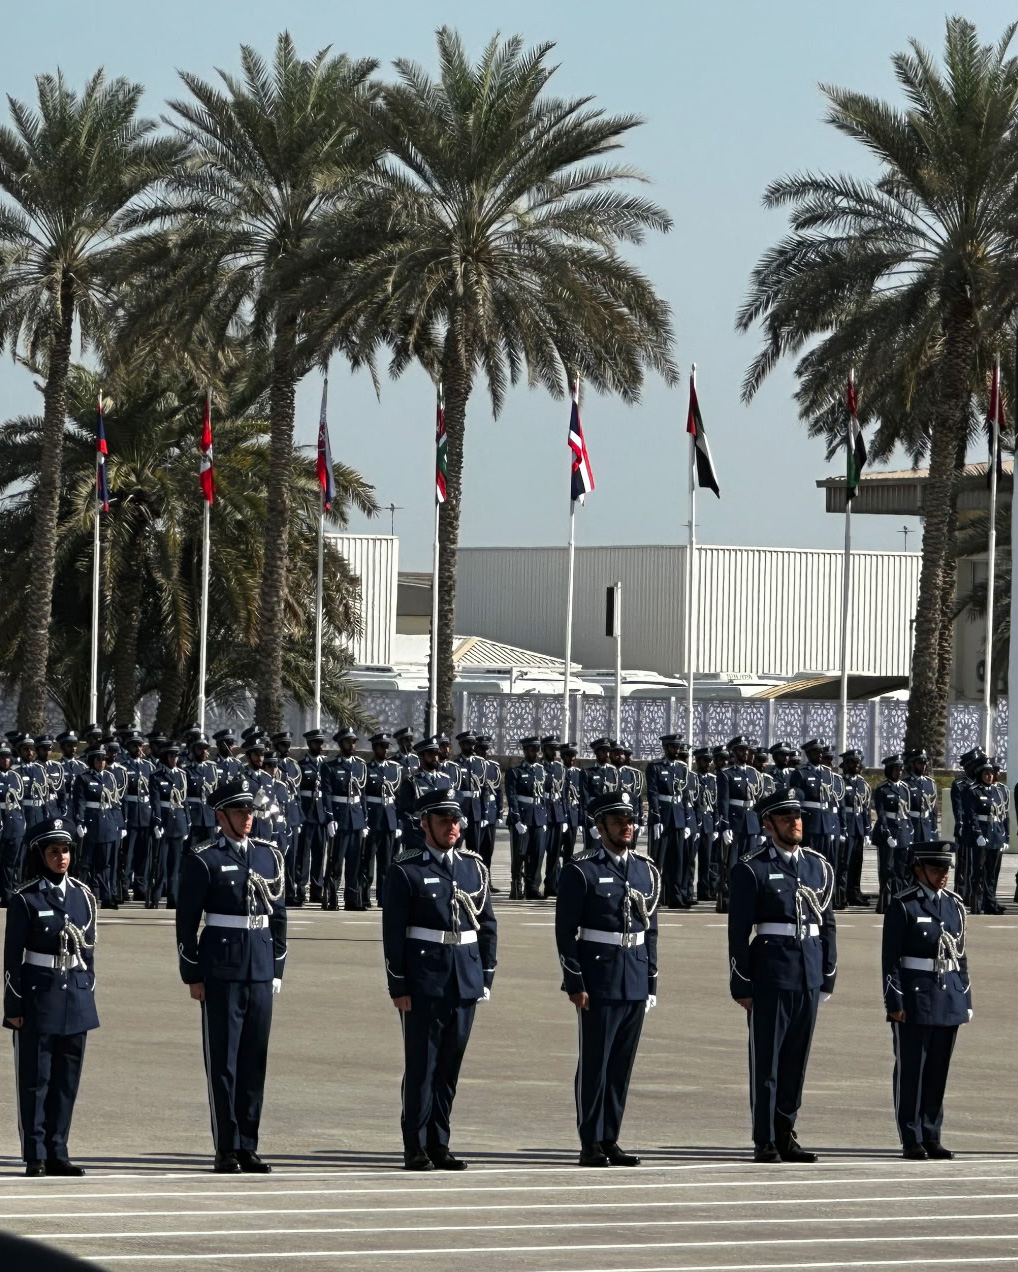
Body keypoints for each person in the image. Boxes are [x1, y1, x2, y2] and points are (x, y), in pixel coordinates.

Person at [175, 776, 287, 1174]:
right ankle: (226, 1146)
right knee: (224, 1062)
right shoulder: (204, 858)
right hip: (221, 969)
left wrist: (276, 967)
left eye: (250, 811)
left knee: (255, 1059)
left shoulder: (268, 856)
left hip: (258, 966)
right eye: (240, 811)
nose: (248, 818)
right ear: (220, 815)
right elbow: (187, 922)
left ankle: (248, 1145)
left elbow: (279, 917)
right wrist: (192, 974)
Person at [382, 788, 497, 1171]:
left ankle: (440, 1141)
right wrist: (398, 984)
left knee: (449, 1067)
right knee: (422, 1066)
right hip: (424, 980)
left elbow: (487, 925)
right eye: (444, 820)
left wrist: (485, 975)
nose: (453, 826)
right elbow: (393, 932)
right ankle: (415, 1144)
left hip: (464, 978)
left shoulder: (472, 867)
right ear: (425, 823)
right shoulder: (406, 868)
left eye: (456, 819)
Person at [728, 788, 836, 1163]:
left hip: (807, 970)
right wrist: (741, 982)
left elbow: (828, 923)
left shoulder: (817, 866)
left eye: (799, 816)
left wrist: (828, 973)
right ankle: (764, 1138)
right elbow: (738, 932)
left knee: (795, 1060)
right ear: (768, 824)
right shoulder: (751, 868)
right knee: (767, 1062)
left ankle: (786, 1130)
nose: (796, 822)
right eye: (787, 817)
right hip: (771, 973)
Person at [555, 790, 659, 1167]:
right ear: (600, 828)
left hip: (633, 974)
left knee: (621, 1065)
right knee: (595, 1063)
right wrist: (575, 981)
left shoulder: (645, 869)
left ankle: (611, 1136)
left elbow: (652, 929)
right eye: (618, 822)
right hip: (598, 977)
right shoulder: (581, 869)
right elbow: (565, 931)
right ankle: (590, 1141)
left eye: (630, 821)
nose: (627, 827)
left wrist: (651, 979)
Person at [3, 817, 99, 1177]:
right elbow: (12, 958)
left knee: (65, 1080)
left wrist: (87, 991)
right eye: (54, 851)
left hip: (74, 995)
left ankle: (58, 1149)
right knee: (36, 1079)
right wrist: (13, 1005)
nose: (62, 857)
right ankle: (35, 1153)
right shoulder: (26, 898)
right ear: (40, 856)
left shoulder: (83, 896)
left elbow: (88, 953)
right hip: (38, 994)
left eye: (66, 851)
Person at [882, 841, 970, 1160]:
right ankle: (911, 1135)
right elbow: (890, 960)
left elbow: (960, 956)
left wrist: (965, 998)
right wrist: (895, 1001)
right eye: (935, 869)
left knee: (937, 1069)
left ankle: (932, 1133)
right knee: (912, 1070)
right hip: (914, 996)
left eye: (946, 869)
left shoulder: (955, 905)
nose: (943, 875)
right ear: (918, 869)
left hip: (947, 995)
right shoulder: (904, 905)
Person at [716, 735, 763, 913]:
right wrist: (724, 826)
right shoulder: (726, 774)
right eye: (741, 750)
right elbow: (723, 802)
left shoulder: (754, 774)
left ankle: (748, 898)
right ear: (733, 753)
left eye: (746, 750)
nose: (745, 753)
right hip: (735, 824)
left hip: (751, 823)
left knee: (751, 864)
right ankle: (727, 899)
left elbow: (758, 802)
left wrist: (761, 828)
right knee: (732, 864)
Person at [646, 735, 693, 909]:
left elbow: (685, 796)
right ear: (665, 748)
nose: (676, 750)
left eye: (678, 747)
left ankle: (675, 896)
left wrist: (687, 820)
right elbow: (652, 793)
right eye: (673, 747)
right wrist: (656, 817)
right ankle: (655, 895)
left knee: (678, 859)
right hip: (663, 817)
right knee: (659, 859)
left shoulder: (682, 769)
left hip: (678, 817)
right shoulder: (656, 767)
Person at [71, 745, 121, 908]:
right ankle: (79, 895)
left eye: (104, 759)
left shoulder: (110, 778)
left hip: (107, 823)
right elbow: (79, 802)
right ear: (92, 761)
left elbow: (115, 803)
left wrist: (120, 824)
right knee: (85, 863)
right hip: (91, 824)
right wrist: (80, 821)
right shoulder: (83, 778)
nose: (102, 762)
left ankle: (107, 897)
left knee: (105, 863)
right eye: (98, 759)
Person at [324, 727, 368, 910]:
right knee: (336, 862)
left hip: (356, 818)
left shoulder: (360, 766)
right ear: (341, 744)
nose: (352, 745)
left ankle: (352, 900)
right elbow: (326, 793)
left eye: (354, 741)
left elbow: (362, 794)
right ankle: (331, 898)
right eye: (349, 741)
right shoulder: (330, 766)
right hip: (340, 818)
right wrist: (330, 818)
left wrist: (365, 820)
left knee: (355, 862)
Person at [505, 736, 548, 899]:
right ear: (525, 751)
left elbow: (543, 796)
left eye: (538, 750)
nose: (536, 754)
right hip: (522, 818)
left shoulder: (540, 771)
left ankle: (533, 887)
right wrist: (516, 820)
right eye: (533, 750)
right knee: (519, 853)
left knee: (537, 854)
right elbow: (512, 797)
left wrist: (544, 818)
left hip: (538, 816)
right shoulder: (516, 771)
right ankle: (516, 885)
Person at [364, 732, 403, 906]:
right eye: (382, 747)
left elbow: (400, 798)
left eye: (387, 747)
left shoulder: (395, 769)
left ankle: (383, 896)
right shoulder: (367, 768)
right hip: (373, 819)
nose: (385, 750)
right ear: (374, 748)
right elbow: (363, 796)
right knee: (368, 862)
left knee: (386, 863)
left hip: (389, 819)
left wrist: (399, 822)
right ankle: (364, 896)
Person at [149, 742, 189, 909]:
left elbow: (184, 801)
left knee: (175, 865)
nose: (174, 759)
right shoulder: (156, 776)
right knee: (161, 864)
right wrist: (157, 822)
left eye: (176, 756)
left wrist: (187, 822)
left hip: (178, 822)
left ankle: (173, 898)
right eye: (171, 756)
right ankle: (156, 898)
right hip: (165, 822)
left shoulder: (181, 775)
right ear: (165, 757)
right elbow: (155, 802)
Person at [872, 756, 913, 913]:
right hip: (888, 832)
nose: (898, 772)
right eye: (895, 769)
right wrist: (887, 834)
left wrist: (909, 831)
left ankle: (899, 900)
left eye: (900, 769)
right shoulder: (882, 789)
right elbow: (881, 814)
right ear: (888, 770)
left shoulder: (904, 788)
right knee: (886, 870)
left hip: (902, 831)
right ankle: (885, 902)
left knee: (901, 869)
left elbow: (906, 812)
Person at [297, 728, 331, 905]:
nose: (320, 746)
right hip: (307, 814)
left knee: (319, 854)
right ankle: (301, 890)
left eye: (321, 742)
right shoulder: (301, 766)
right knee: (303, 855)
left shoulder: (325, 766)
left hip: (321, 815)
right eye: (316, 743)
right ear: (309, 744)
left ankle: (316, 890)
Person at [271, 732, 304, 905]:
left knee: (292, 858)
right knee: (278, 856)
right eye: (283, 745)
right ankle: (279, 890)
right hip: (278, 815)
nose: (287, 748)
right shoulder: (272, 764)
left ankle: (291, 892)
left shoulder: (293, 765)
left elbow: (296, 794)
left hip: (292, 814)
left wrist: (298, 818)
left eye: (288, 745)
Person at [123, 731, 156, 902]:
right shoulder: (124, 767)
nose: (138, 748)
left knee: (144, 855)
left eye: (139, 745)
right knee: (128, 854)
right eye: (134, 745)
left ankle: (140, 887)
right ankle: (124, 886)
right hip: (131, 814)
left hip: (145, 813)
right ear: (128, 747)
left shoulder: (149, 767)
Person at [579, 739, 618, 851]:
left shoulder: (613, 773)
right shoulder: (587, 773)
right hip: (595, 818)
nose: (607, 754)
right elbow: (585, 800)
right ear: (596, 753)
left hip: (609, 819)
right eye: (603, 751)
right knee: (592, 851)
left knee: (610, 851)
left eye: (608, 751)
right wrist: (591, 823)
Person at [692, 747, 719, 902]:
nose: (708, 764)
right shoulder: (693, 778)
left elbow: (715, 805)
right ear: (698, 761)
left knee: (707, 859)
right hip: (695, 822)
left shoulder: (712, 779)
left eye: (709, 761)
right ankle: (689, 891)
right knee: (690, 860)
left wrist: (715, 825)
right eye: (705, 761)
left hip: (708, 822)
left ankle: (705, 890)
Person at [1, 740, 27, 904]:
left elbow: (21, 801)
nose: (5, 760)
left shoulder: (15, 777)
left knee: (13, 862)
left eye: (7, 757)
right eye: (2, 757)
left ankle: (11, 893)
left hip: (15, 823)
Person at [474, 735, 503, 882]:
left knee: (488, 849)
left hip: (490, 811)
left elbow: (498, 789)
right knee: (476, 849)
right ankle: (476, 879)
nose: (484, 752)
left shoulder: (493, 766)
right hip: (478, 811)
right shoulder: (473, 765)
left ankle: (487, 879)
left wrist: (499, 811)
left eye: (486, 749)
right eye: (481, 749)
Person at [904, 749, 939, 844]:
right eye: (920, 763)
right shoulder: (905, 783)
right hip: (912, 825)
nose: (923, 766)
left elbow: (933, 810)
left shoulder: (930, 783)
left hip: (927, 825)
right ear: (912, 764)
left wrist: (934, 830)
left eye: (924, 763)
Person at [560, 743, 582, 866]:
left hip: (573, 816)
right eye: (569, 755)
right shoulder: (558, 772)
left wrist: (580, 820)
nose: (572, 758)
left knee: (569, 849)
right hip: (559, 815)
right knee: (555, 849)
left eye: (574, 755)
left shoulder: (578, 774)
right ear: (563, 756)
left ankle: (566, 874)